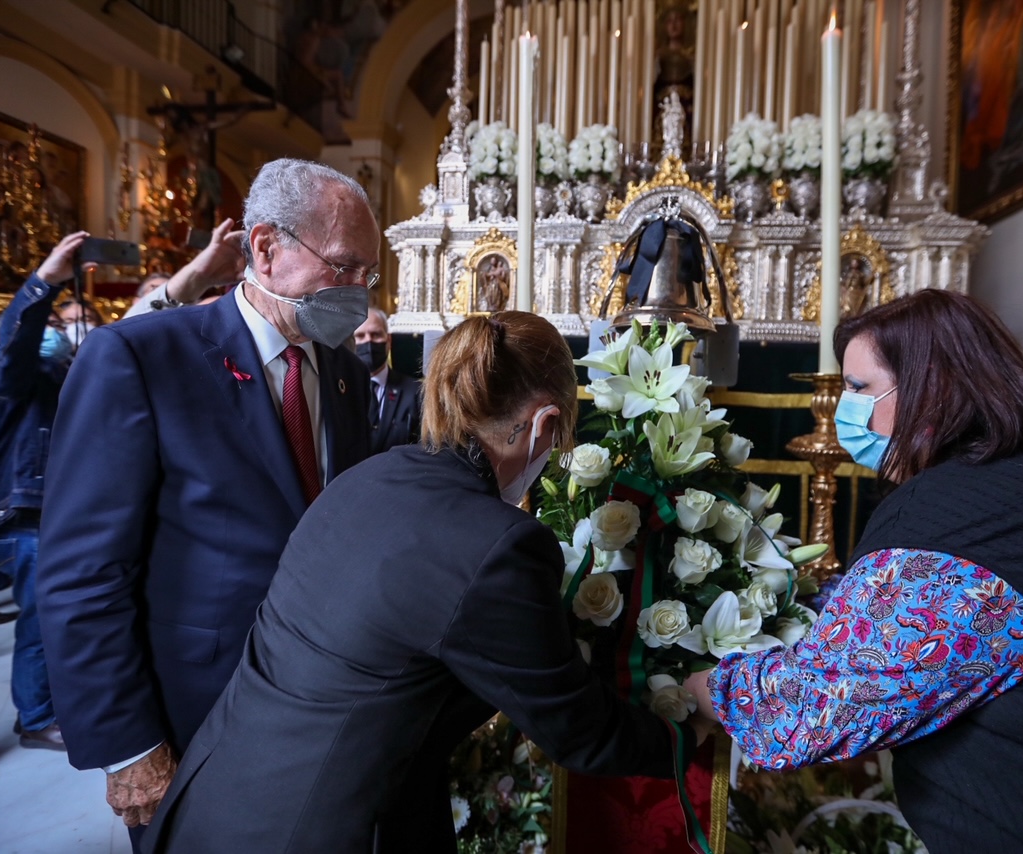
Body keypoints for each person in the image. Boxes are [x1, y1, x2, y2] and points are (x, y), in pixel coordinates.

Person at [142, 312, 709, 853]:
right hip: (321, 829)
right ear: (545, 423)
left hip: (216, 799)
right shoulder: (499, 544)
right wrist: (688, 725)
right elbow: (579, 731)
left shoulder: (362, 478)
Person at [687, 289, 1023, 851]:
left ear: (931, 394)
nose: (846, 410)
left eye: (860, 389)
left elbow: (812, 710)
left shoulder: (946, 519)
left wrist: (705, 688)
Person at [36, 158, 377, 846]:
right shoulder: (140, 357)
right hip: (195, 712)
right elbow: (83, 572)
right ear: (265, 249)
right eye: (342, 266)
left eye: (368, 273)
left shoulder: (341, 369)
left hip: (320, 707)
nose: (357, 292)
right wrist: (129, 745)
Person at [0, 230, 90, 753]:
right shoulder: (16, 377)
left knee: (63, 618)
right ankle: (36, 717)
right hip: (27, 513)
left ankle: (58, 705)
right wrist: (45, 282)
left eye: (64, 326)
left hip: (63, 513)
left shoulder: (72, 372)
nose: (57, 331)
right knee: (41, 621)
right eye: (52, 323)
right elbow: (15, 348)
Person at [125, 218, 244, 318]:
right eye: (155, 290)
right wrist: (198, 275)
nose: (173, 300)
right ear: (136, 301)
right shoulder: (117, 337)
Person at [354, 307, 420, 453]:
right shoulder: (338, 391)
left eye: (376, 334)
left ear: (388, 340)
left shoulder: (416, 392)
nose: (369, 341)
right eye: (360, 336)